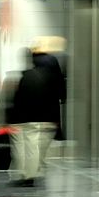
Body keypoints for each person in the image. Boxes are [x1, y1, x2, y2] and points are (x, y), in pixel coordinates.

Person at [10, 48, 64, 187]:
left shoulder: (27, 76)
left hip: (30, 119)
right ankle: (35, 172)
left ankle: (29, 176)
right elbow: (60, 99)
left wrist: (14, 119)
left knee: (30, 147)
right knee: (39, 148)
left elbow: (19, 100)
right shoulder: (54, 79)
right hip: (49, 120)